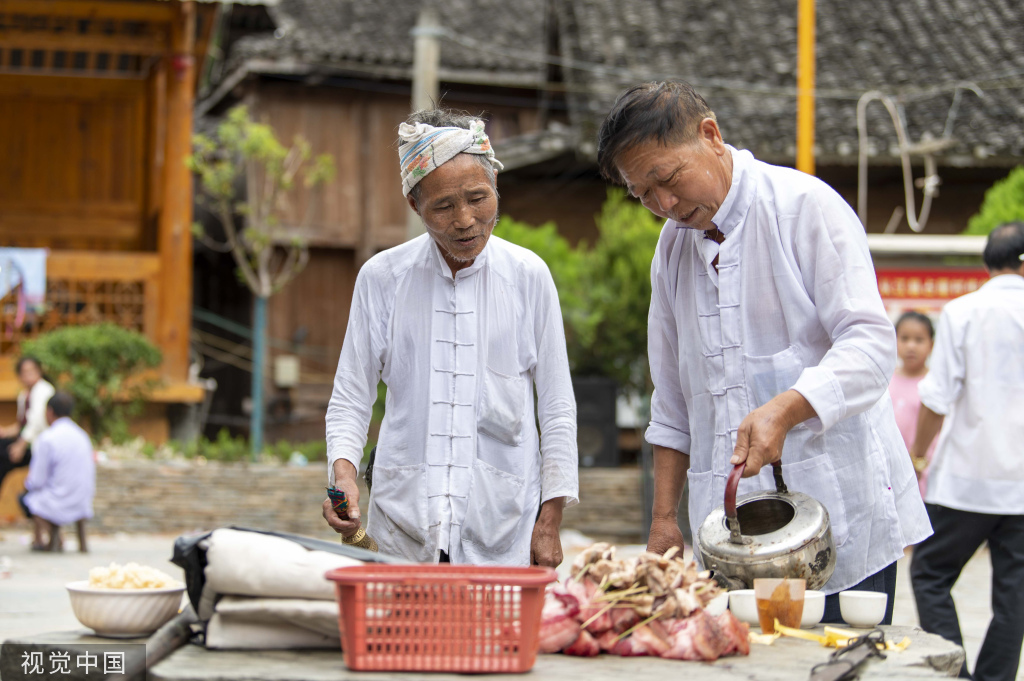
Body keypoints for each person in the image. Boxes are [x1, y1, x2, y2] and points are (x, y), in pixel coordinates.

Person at [596, 81, 930, 624]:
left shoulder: (804, 207)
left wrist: (787, 407)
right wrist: (662, 520)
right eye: (643, 195)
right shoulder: (672, 249)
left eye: (667, 179)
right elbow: (673, 398)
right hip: (729, 540)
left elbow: (869, 347)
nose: (663, 205)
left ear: (710, 135)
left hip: (838, 519)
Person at [322, 109, 578, 566]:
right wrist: (341, 473)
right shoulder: (383, 278)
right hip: (403, 525)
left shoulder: (528, 277)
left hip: (503, 528)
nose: (465, 220)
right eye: (443, 206)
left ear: (496, 187)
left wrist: (550, 518)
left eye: (478, 198)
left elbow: (556, 406)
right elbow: (351, 396)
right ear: (415, 207)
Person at [909, 222, 1024, 681]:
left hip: (964, 481)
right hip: (1022, 487)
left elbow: (935, 399)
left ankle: (952, 674)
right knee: (1014, 596)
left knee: (930, 575)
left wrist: (919, 454)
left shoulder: (961, 312)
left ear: (986, 265)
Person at [20, 392, 95, 552]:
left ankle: (54, 538)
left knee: (27, 498)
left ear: (50, 411)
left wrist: (27, 485)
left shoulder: (48, 438)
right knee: (41, 493)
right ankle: (66, 541)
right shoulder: (82, 436)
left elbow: (36, 480)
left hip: (58, 501)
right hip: (83, 500)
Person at [888, 310, 937, 497]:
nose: (911, 346)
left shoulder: (934, 384)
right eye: (905, 338)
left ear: (931, 345)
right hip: (891, 470)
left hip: (924, 471)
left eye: (918, 340)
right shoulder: (885, 380)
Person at [0, 356, 55, 494]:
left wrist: (20, 445)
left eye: (31, 370)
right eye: (24, 371)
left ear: (39, 371)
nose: (28, 374)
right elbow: (21, 424)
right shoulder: (24, 395)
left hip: (37, 445)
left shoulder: (44, 390)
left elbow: (35, 422)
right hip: (26, 442)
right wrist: (4, 431)